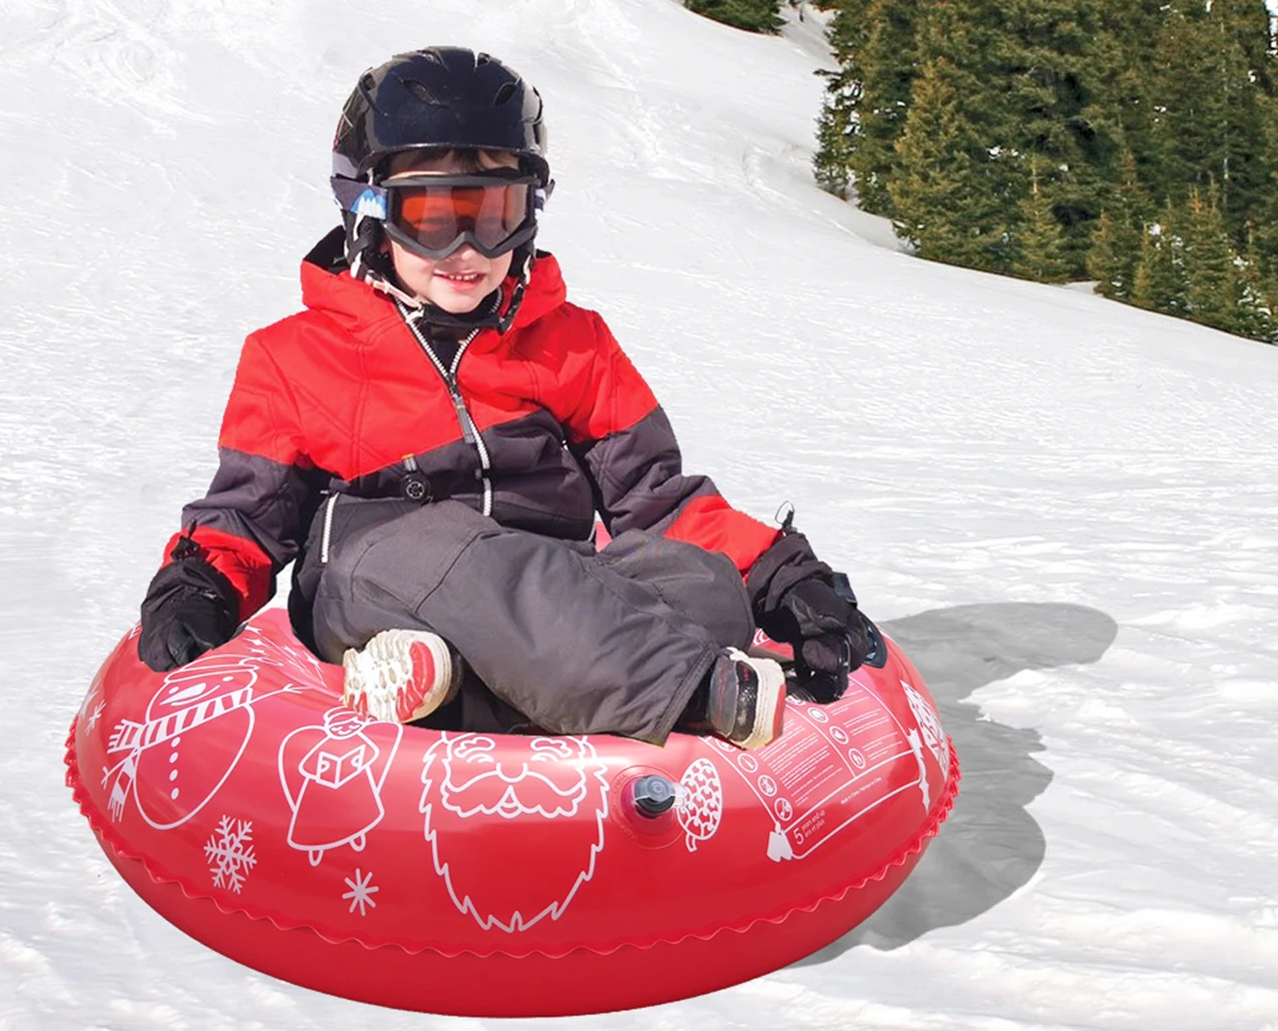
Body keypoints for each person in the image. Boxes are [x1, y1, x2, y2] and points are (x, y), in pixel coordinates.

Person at [137, 47, 876, 750]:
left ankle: (450, 685)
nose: (468, 249)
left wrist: (783, 576)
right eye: (432, 217)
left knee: (703, 587)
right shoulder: (292, 355)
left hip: (551, 602)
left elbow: (657, 501)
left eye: (495, 213)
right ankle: (696, 693)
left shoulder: (571, 342)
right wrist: (201, 581)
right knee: (439, 546)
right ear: (368, 211)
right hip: (380, 584)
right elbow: (245, 512)